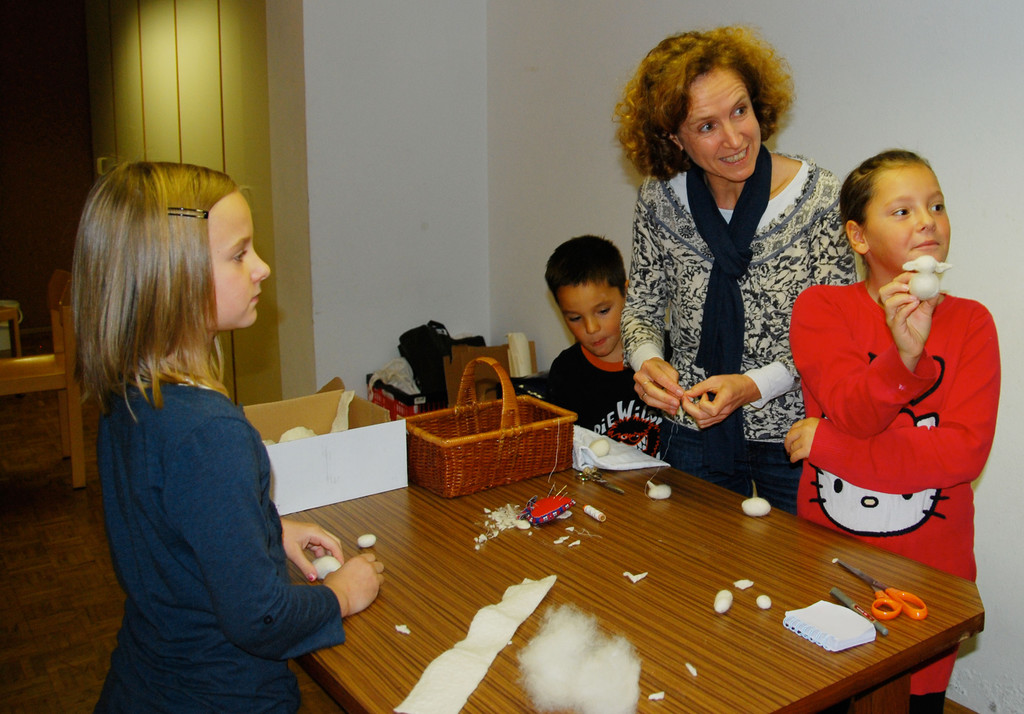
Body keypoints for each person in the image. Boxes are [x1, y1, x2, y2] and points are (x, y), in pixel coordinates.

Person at [73, 162, 385, 713]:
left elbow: (172, 526)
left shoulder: (129, 396)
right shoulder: (210, 432)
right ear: (172, 278)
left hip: (145, 684)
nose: (262, 267)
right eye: (239, 254)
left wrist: (265, 529)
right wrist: (340, 595)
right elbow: (261, 619)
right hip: (223, 697)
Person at [784, 150, 1000, 711]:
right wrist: (903, 359)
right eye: (902, 211)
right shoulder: (821, 309)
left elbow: (962, 455)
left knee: (915, 703)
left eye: (936, 206)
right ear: (858, 236)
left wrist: (829, 446)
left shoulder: (972, 323)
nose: (927, 221)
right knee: (830, 692)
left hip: (935, 572)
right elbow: (855, 412)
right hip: (831, 561)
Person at [615, 26, 857, 513]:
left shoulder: (819, 198)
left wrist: (751, 386)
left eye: (740, 111)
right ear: (673, 136)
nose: (734, 138)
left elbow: (838, 334)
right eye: (706, 126)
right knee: (696, 559)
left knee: (797, 564)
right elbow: (641, 306)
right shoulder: (659, 200)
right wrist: (646, 360)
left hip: (794, 436)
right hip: (693, 427)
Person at [544, 235, 663, 456]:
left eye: (603, 311)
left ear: (628, 294)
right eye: (575, 318)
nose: (591, 328)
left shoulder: (665, 356)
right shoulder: (566, 371)